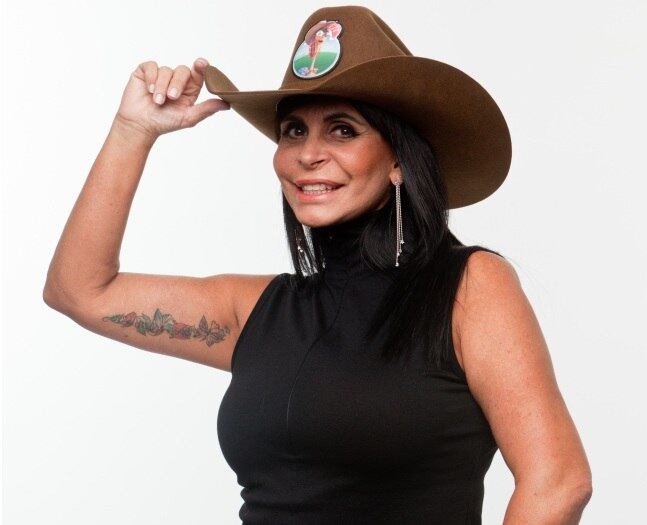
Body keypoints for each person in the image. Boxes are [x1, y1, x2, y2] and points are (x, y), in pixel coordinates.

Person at [43, 5, 592, 524]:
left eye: (343, 129)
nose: (308, 154)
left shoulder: (468, 287)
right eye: (294, 131)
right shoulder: (256, 312)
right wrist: (133, 130)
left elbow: (557, 481)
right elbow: (80, 292)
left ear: (399, 160)